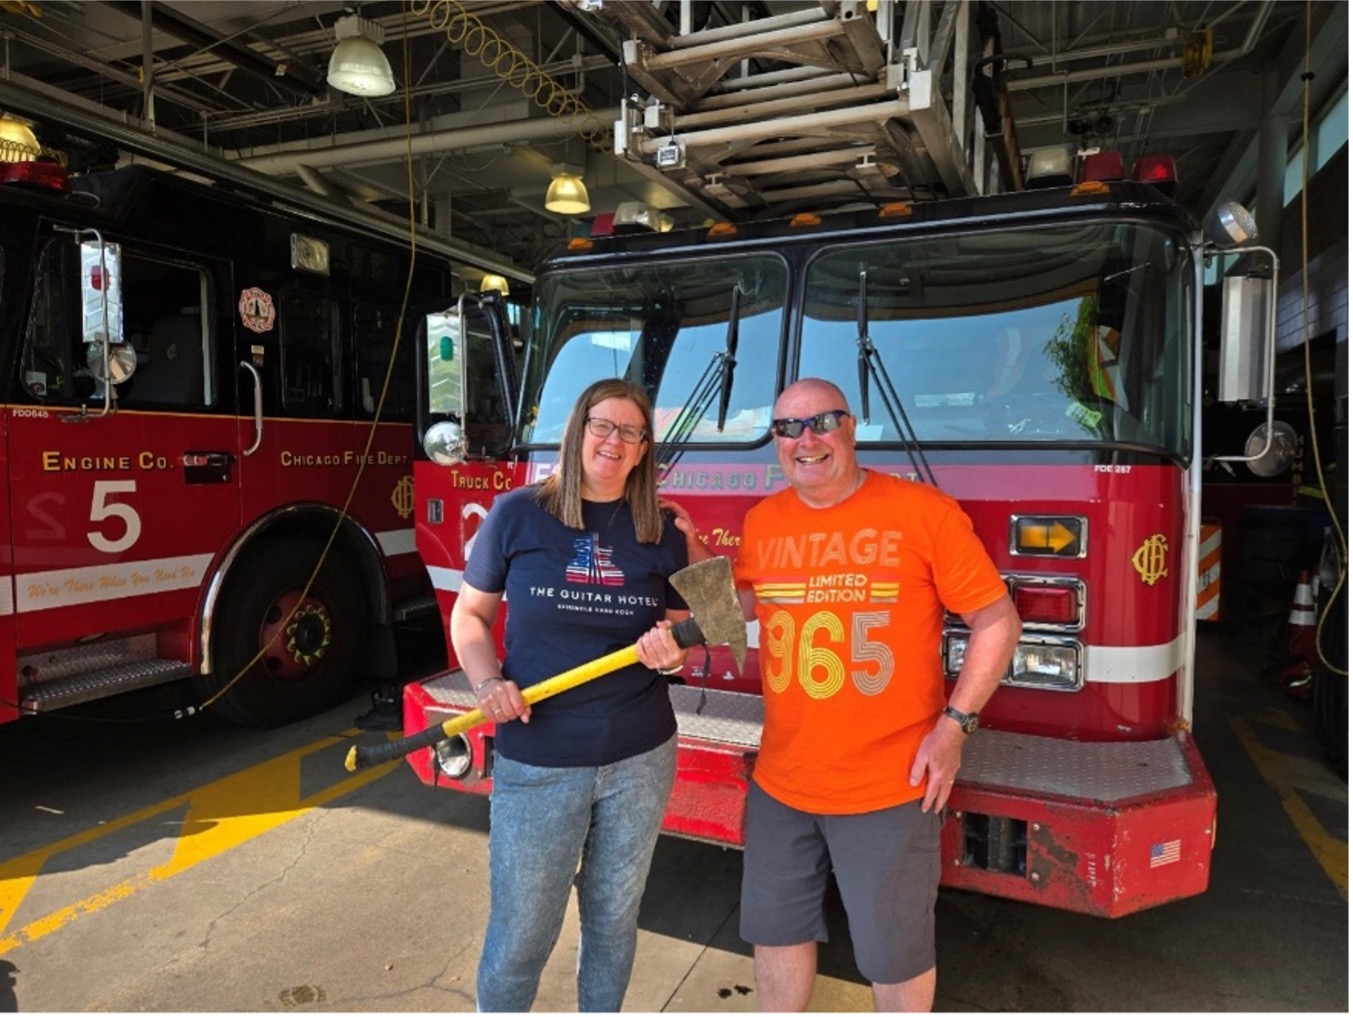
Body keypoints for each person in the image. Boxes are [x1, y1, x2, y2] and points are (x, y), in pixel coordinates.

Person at [732, 378, 1021, 1012]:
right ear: (775, 442)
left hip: (889, 785)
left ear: (851, 427)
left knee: (896, 957)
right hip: (781, 782)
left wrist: (954, 729)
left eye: (822, 421)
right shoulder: (762, 523)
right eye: (787, 428)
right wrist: (690, 561)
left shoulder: (924, 512)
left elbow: (997, 621)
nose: (806, 440)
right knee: (775, 935)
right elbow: (740, 605)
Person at [451, 377, 707, 1012]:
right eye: (602, 425)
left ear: (645, 449)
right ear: (578, 430)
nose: (613, 441)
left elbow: (700, 630)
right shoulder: (518, 515)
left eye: (630, 432)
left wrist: (675, 653)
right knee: (521, 937)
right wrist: (487, 684)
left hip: (640, 759)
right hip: (538, 762)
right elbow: (470, 618)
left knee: (614, 925)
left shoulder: (661, 530)